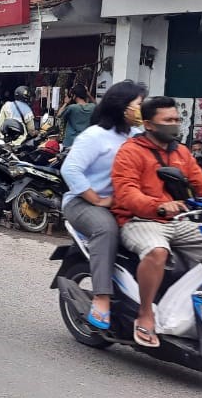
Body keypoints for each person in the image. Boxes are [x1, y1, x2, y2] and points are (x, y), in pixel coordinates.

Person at [112, 96, 202, 348]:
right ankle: (145, 314)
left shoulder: (181, 152)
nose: (175, 124)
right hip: (140, 220)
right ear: (149, 125)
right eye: (168, 120)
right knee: (157, 252)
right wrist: (157, 205)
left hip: (179, 220)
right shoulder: (130, 152)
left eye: (177, 119)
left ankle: (200, 310)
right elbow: (126, 192)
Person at [60, 82, 146, 332]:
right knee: (105, 229)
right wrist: (97, 199)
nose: (142, 110)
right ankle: (101, 297)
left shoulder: (136, 136)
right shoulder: (95, 135)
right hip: (83, 202)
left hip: (126, 203)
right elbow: (70, 170)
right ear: (122, 107)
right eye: (139, 105)